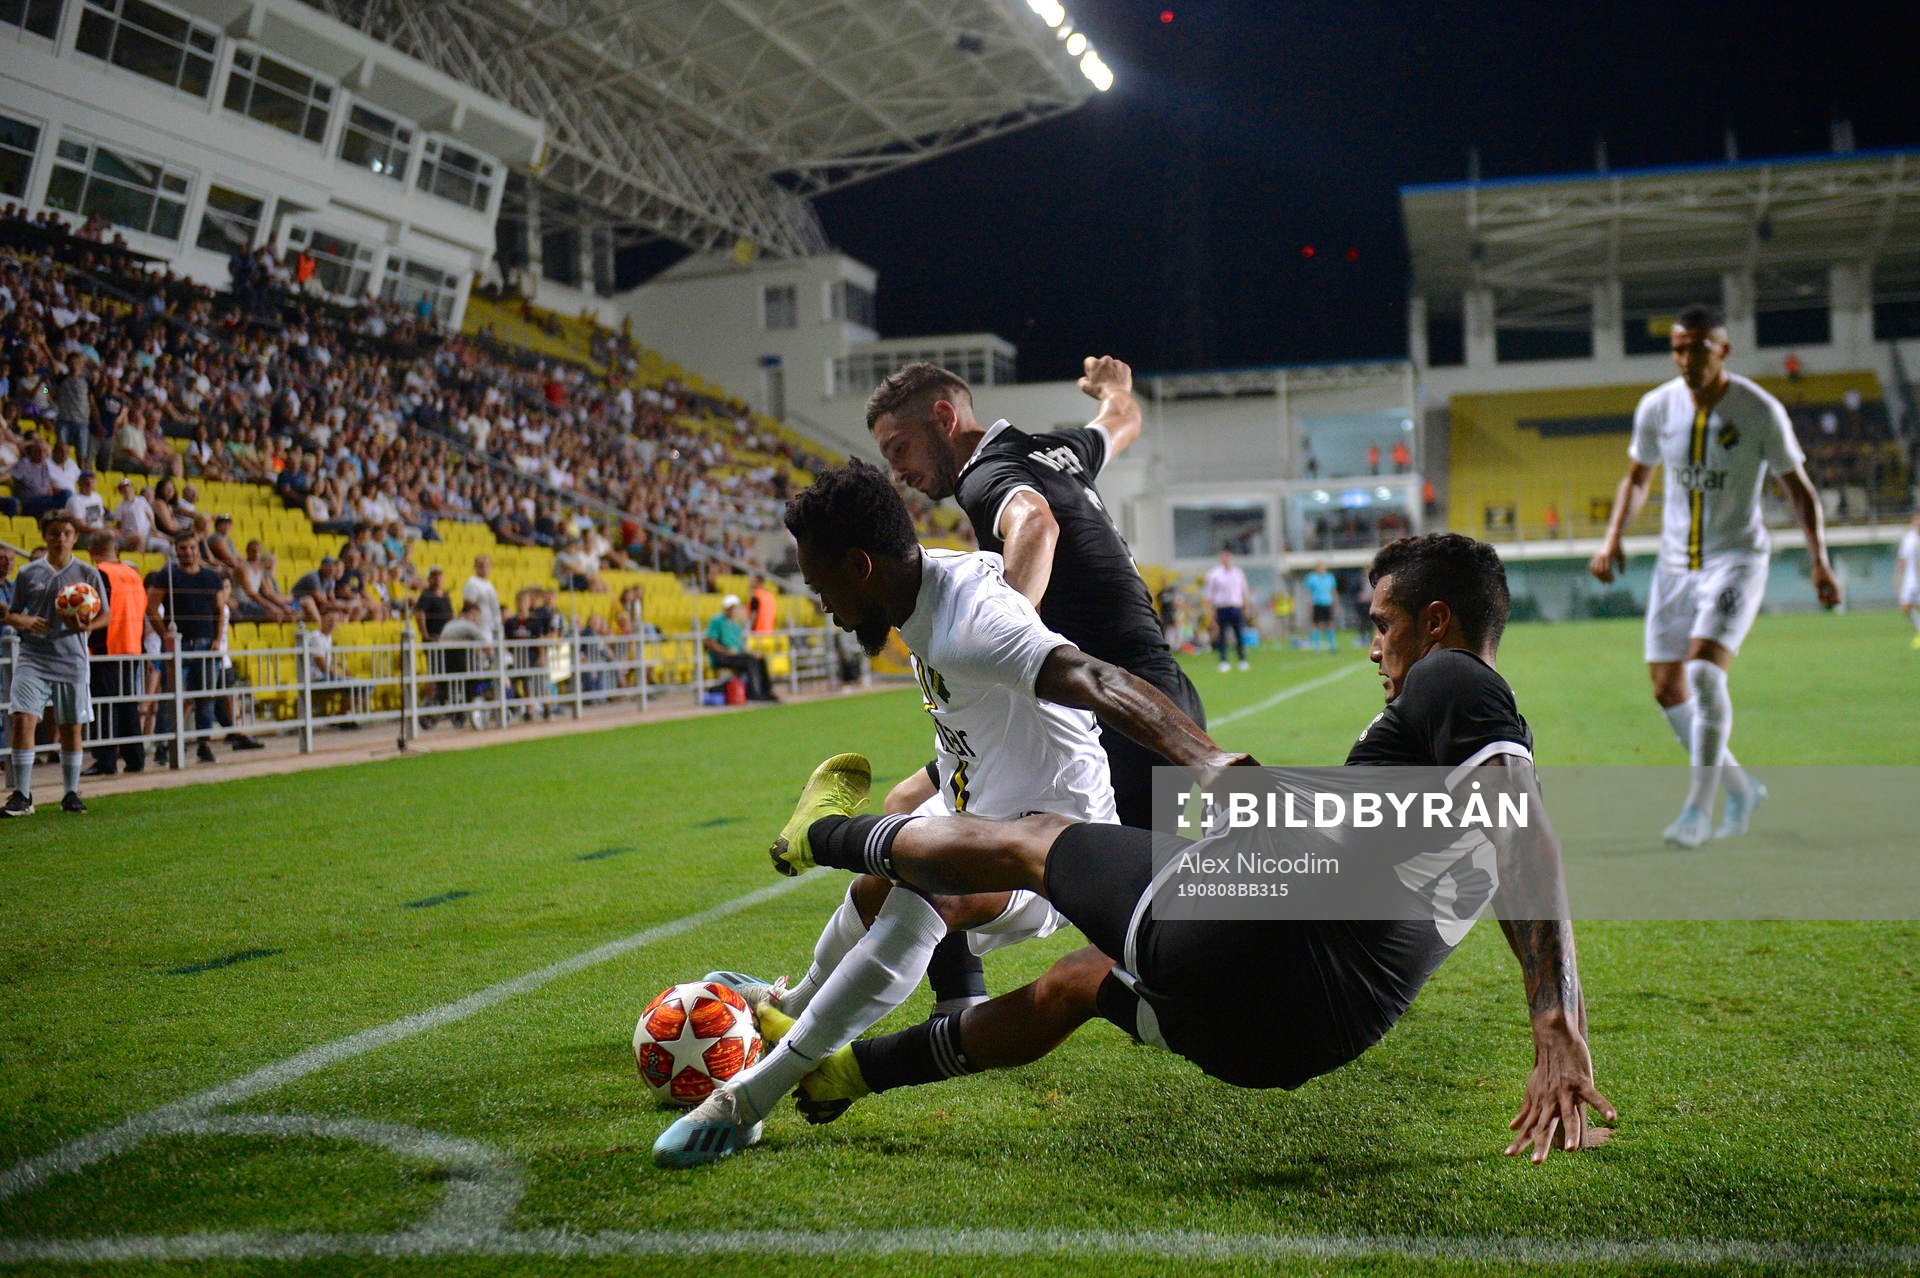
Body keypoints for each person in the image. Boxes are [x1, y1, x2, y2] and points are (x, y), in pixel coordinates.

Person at [751, 535, 1612, 1172]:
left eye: (1383, 624)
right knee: (1077, 983)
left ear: (1435, 620)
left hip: (1252, 945)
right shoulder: (1450, 756)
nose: (1375, 646)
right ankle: (844, 1077)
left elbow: (1520, 822)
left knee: (1038, 837)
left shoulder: (1453, 676)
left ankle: (823, 831)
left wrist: (1555, 1016)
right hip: (1290, 1044)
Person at [655, 460, 1247, 1168]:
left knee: (926, 890)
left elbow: (1098, 677)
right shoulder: (922, 584)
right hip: (980, 806)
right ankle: (793, 999)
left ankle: (748, 1100)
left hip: (1056, 846)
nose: (822, 606)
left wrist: (1207, 761)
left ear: (860, 565)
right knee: (875, 885)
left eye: (821, 588)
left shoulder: (970, 621)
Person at [868, 356, 1208, 1017]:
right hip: (1143, 696)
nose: (898, 472)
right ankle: (958, 996)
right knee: (914, 803)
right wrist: (1112, 386)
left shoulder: (986, 475)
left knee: (1164, 929)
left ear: (945, 417)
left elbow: (1036, 525)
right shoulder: (1058, 450)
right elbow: (1122, 421)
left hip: (1105, 712)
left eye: (899, 448)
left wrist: (999, 647)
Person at [1590, 303, 1840, 847]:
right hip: (1675, 564)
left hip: (1737, 559)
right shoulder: (1657, 407)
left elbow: (1799, 490)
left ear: (1721, 350)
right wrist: (1612, 538)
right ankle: (1741, 788)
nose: (1685, 358)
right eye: (1678, 347)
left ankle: (1697, 812)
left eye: (1696, 348)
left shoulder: (1760, 410)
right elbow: (1637, 478)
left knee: (1704, 675)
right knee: (1667, 688)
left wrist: (1819, 559)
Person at [2, 515, 110, 815]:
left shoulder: (87, 573)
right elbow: (12, 613)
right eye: (54, 533)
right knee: (24, 719)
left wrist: (86, 627)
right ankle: (22, 795)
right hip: (33, 657)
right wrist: (20, 619)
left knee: (70, 726)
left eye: (66, 533)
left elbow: (106, 615)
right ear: (45, 536)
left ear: (75, 537)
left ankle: (70, 793)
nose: (60, 538)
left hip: (71, 658)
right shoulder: (28, 573)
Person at [144, 532, 229, 766]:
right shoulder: (167, 575)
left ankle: (203, 744)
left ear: (198, 549)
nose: (188, 552)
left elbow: (219, 610)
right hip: (178, 647)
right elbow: (151, 608)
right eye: (182, 548)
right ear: (176, 550)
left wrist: (217, 638)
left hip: (205, 644)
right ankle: (164, 746)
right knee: (170, 698)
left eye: (191, 547)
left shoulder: (212, 577)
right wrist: (166, 637)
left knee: (205, 698)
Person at [83, 532, 148, 777]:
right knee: (128, 705)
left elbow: (94, 609)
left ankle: (106, 760)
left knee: (104, 706)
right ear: (116, 550)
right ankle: (135, 758)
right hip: (131, 645)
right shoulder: (133, 574)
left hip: (106, 647)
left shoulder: (98, 573)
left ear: (91, 550)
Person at [702, 594, 777, 702]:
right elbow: (709, 641)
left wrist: (752, 652)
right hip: (722, 656)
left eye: (734, 608)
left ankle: (766, 691)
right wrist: (726, 651)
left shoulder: (736, 625)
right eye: (730, 608)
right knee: (750, 661)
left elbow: (740, 647)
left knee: (760, 659)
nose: (733, 610)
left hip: (736, 655)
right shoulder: (717, 621)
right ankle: (754, 693)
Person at [1203, 547, 1251, 672]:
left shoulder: (1238, 573)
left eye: (1228, 557)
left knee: (1239, 634)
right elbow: (1209, 595)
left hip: (1235, 606)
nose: (1226, 559)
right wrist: (1211, 612)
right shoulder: (1215, 574)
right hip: (1221, 607)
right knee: (1222, 635)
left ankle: (1242, 659)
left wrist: (1246, 607)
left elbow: (1244, 591)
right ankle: (1224, 660)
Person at [462, 553, 502, 642]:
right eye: (481, 565)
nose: (484, 567)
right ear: (475, 567)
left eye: (487, 565)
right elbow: (468, 607)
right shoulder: (472, 583)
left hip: (492, 629)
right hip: (481, 630)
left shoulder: (489, 584)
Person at [1895, 512, 1920, 651]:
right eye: (1917, 521)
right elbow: (1902, 559)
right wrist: (1898, 576)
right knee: (1905, 607)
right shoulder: (1909, 539)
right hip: (1912, 580)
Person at [1304, 561, 1338, 652]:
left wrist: (1335, 603)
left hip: (1327, 603)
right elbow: (1308, 592)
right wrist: (1309, 605)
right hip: (1317, 603)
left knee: (1330, 624)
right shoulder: (1311, 578)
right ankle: (1316, 646)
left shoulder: (1329, 577)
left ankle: (1332, 645)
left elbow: (1333, 591)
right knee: (1317, 624)